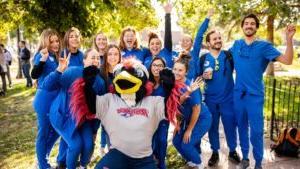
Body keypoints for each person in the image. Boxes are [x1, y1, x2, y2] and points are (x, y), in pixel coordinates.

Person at [229, 14, 296, 169]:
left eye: (252, 23)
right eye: (246, 23)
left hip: (255, 97)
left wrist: (289, 39)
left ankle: (258, 162)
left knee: (257, 132)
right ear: (242, 26)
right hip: (238, 95)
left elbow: (288, 60)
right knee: (242, 128)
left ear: (256, 27)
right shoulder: (236, 45)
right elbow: (223, 59)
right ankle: (245, 158)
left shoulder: (264, 46)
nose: (249, 25)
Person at [42, 48, 106, 169]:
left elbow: (99, 109)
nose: (96, 60)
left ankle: (82, 166)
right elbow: (47, 85)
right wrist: (59, 70)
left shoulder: (100, 82)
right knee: (76, 145)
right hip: (63, 116)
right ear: (84, 60)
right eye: (93, 57)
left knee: (88, 145)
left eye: (98, 58)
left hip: (83, 120)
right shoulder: (72, 72)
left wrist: (94, 129)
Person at [199, 30, 240, 167]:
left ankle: (233, 150)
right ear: (208, 42)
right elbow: (198, 77)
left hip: (228, 99)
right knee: (212, 127)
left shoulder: (228, 56)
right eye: (214, 39)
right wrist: (203, 76)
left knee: (230, 125)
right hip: (210, 99)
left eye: (219, 38)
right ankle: (215, 152)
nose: (217, 40)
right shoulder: (204, 59)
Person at [172, 53, 212, 169]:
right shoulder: (173, 84)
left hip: (201, 118)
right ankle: (192, 160)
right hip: (186, 119)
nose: (176, 72)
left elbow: (196, 109)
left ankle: (199, 163)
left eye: (180, 70)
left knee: (186, 144)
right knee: (176, 141)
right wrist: (178, 124)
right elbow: (177, 105)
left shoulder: (191, 86)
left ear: (186, 72)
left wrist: (189, 130)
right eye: (175, 69)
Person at [30, 28, 62, 169]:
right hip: (44, 99)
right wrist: (42, 60)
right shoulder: (41, 55)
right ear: (45, 42)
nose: (55, 44)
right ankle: (43, 165)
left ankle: (42, 157)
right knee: (43, 132)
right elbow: (34, 74)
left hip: (55, 98)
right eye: (52, 41)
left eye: (56, 41)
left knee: (56, 130)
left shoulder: (55, 57)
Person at [177, 9, 213, 80]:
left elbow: (199, 35)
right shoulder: (176, 55)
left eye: (187, 41)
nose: (184, 42)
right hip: (181, 87)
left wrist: (207, 18)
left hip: (194, 85)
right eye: (183, 41)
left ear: (192, 43)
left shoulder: (194, 52)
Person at [99, 44, 122, 156]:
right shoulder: (101, 73)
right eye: (110, 54)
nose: (113, 57)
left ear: (119, 56)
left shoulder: (124, 71)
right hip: (107, 115)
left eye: (116, 54)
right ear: (106, 56)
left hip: (123, 113)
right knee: (112, 146)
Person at [144, 2, 173, 69]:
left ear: (161, 45)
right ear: (149, 46)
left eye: (157, 43)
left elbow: (168, 34)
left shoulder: (166, 52)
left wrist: (167, 14)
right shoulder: (146, 60)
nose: (155, 46)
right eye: (152, 44)